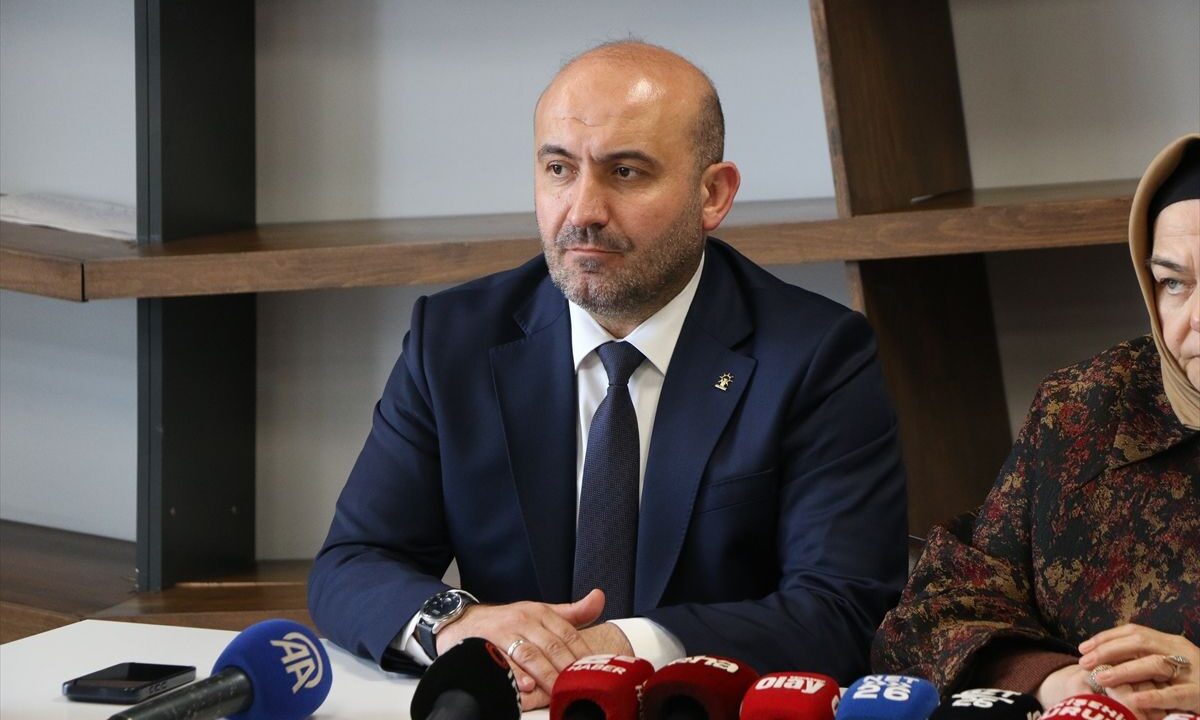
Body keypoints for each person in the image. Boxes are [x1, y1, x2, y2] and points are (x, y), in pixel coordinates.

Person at [308, 40, 908, 711]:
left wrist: (621, 647)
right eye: (559, 169)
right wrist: (457, 624)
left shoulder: (817, 355)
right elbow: (352, 563)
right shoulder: (453, 341)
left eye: (625, 172)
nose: (583, 210)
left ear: (712, 194)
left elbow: (843, 607)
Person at [871, 133, 1200, 719]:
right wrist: (1056, 679)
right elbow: (932, 614)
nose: (1195, 319)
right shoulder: (1086, 410)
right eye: (1174, 283)